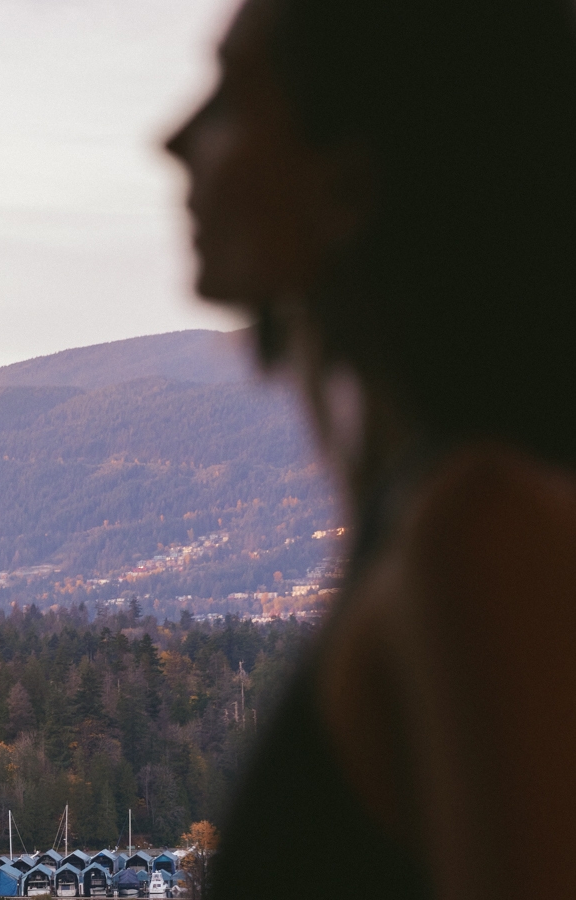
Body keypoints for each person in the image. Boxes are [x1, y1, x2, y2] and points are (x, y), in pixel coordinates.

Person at [165, 0, 576, 897]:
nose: (173, 138)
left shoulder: (478, 531)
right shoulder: (449, 510)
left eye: (232, 97)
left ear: (349, 180)